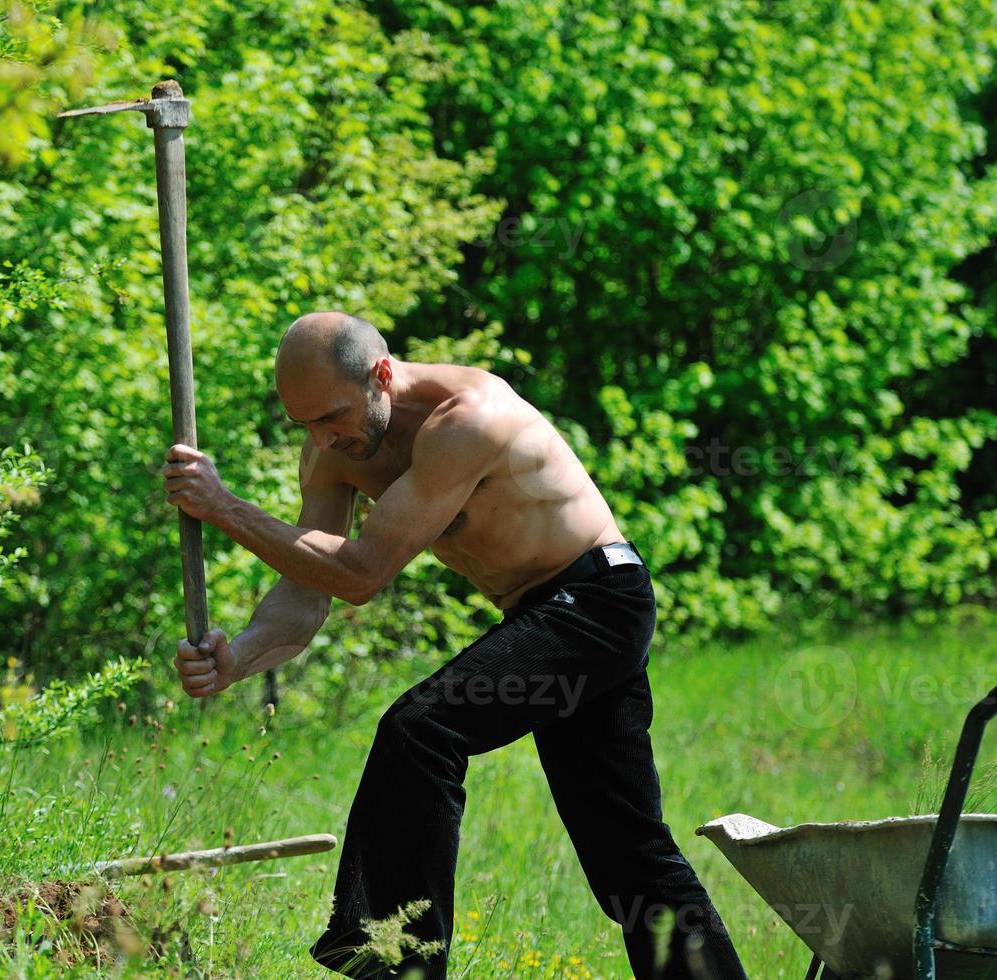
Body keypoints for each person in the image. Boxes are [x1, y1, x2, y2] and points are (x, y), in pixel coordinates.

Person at [161, 311, 748, 979]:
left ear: (382, 375)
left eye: (332, 416)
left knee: (421, 730)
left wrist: (225, 506)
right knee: (628, 856)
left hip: (598, 598)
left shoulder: (468, 418)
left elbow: (359, 574)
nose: (321, 438)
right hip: (543, 614)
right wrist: (241, 655)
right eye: (305, 425)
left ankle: (400, 961)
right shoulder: (335, 450)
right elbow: (306, 594)